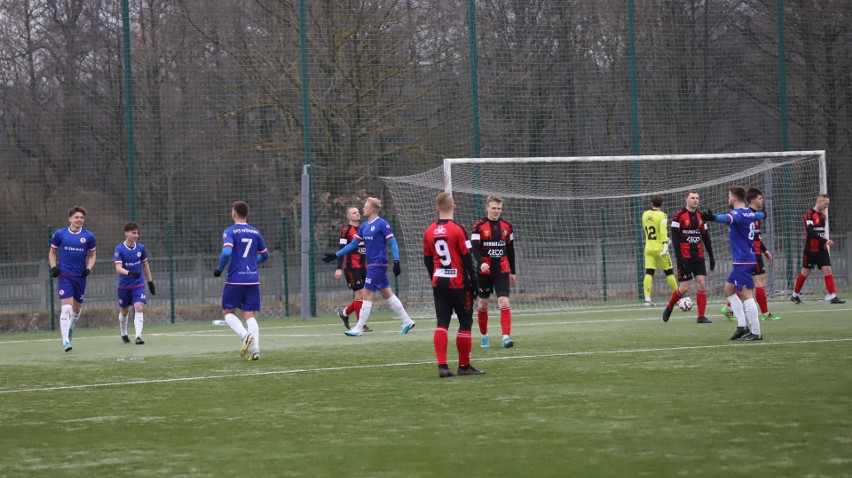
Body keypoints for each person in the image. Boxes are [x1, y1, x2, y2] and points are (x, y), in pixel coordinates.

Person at [323, 197, 416, 336]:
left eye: (365, 206)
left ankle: (358, 328)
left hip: (378, 264)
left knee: (366, 294)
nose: (363, 209)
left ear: (372, 209)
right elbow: (353, 244)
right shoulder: (364, 226)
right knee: (387, 294)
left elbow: (394, 243)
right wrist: (336, 255)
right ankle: (407, 321)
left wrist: (396, 261)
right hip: (372, 264)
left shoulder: (382, 224)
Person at [423, 192, 485, 377]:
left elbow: (427, 260)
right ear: (454, 206)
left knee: (442, 322)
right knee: (465, 321)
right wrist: (474, 284)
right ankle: (464, 367)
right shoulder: (459, 229)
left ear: (437, 208)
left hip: (439, 281)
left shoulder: (428, 231)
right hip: (458, 282)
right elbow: (468, 259)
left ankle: (442, 366)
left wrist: (434, 277)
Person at [701, 186, 767, 340]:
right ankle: (742, 326)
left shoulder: (736, 213)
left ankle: (756, 332)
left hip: (743, 261)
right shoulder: (750, 212)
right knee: (728, 290)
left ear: (734, 198)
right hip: (747, 259)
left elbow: (727, 218)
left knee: (746, 295)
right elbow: (759, 215)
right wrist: (764, 214)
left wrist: (713, 218)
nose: (728, 198)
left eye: (729, 196)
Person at [213, 201, 270, 360]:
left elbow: (226, 253)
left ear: (234, 214)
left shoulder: (230, 231)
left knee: (227, 311)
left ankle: (245, 335)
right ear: (247, 214)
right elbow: (265, 255)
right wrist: (253, 263)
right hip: (252, 278)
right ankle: (256, 349)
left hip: (236, 279)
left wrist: (219, 269)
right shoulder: (255, 232)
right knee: (249, 314)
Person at [721, 188, 782, 321]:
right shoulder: (746, 215)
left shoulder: (753, 215)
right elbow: (748, 237)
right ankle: (764, 314)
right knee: (757, 283)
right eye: (760, 198)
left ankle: (730, 308)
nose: (762, 201)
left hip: (753, 253)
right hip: (749, 254)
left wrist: (764, 250)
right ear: (753, 200)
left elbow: (756, 236)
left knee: (750, 284)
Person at [49, 206, 97, 352]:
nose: (79, 220)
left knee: (76, 310)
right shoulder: (60, 234)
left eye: (81, 218)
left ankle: (71, 328)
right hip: (65, 276)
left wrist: (88, 269)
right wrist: (53, 267)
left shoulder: (89, 236)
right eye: (76, 217)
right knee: (67, 308)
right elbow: (52, 253)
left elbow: (93, 256)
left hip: (80, 277)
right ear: (70, 219)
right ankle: (65, 342)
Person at [662, 191, 715, 323]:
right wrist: (679, 258)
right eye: (692, 198)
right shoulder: (678, 215)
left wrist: (712, 256)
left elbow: (706, 237)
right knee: (684, 288)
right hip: (685, 257)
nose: (695, 200)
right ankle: (669, 307)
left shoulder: (701, 216)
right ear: (686, 199)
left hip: (698, 255)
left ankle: (701, 316)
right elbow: (674, 237)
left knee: (702, 283)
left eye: (697, 198)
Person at [471, 195, 516, 348]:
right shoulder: (479, 226)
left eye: (499, 208)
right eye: (494, 208)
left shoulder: (507, 226)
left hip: (502, 269)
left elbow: (510, 249)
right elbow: (475, 248)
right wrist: (481, 263)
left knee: (504, 301)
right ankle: (484, 336)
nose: (496, 211)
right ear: (487, 208)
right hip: (484, 271)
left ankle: (505, 338)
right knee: (483, 304)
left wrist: (513, 271)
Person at [790, 194, 845, 304]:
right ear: (819, 201)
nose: (827, 206)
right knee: (805, 273)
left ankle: (833, 296)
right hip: (810, 250)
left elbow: (819, 232)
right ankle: (795, 295)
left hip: (822, 249)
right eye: (826, 203)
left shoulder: (823, 216)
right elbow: (810, 232)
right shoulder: (809, 214)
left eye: (828, 204)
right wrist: (825, 240)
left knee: (828, 270)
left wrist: (824, 242)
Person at [113, 223, 156, 344]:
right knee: (124, 311)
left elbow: (145, 265)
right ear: (126, 233)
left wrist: (150, 282)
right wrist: (130, 273)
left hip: (138, 284)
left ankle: (138, 337)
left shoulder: (141, 248)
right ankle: (123, 333)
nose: (136, 235)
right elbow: (118, 268)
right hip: (124, 286)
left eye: (137, 233)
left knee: (139, 307)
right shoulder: (119, 249)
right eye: (133, 233)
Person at [334, 206, 372, 332]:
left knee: (365, 294)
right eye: (353, 212)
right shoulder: (346, 230)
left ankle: (345, 313)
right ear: (348, 216)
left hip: (364, 266)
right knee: (360, 293)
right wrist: (339, 268)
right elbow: (341, 248)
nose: (357, 214)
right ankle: (361, 325)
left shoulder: (364, 228)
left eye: (357, 212)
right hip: (352, 267)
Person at [641, 194, 679, 306]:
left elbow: (648, 229)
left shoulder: (645, 214)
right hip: (660, 249)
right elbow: (662, 231)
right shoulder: (662, 215)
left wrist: (665, 239)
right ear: (662, 204)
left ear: (651, 203)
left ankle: (647, 299)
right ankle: (677, 297)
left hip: (648, 248)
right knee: (669, 272)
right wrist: (665, 245)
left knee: (649, 273)